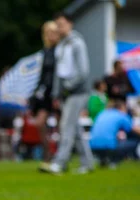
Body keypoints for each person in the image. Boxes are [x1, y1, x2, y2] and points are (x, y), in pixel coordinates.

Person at [39, 12, 94, 175]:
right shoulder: (61, 45)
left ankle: (59, 163)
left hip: (77, 92)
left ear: (70, 24)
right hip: (65, 93)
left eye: (62, 24)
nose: (59, 27)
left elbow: (83, 71)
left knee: (66, 126)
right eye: (57, 24)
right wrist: (57, 94)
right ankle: (88, 162)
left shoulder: (77, 43)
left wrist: (67, 87)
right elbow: (59, 73)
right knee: (74, 128)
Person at [29, 21, 60, 163]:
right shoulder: (45, 52)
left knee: (62, 125)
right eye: (48, 33)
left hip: (58, 92)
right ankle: (47, 153)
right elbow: (42, 75)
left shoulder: (61, 51)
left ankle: (60, 155)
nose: (50, 36)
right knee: (39, 123)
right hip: (46, 93)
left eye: (53, 32)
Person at [89, 100, 140, 168]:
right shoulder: (121, 115)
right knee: (135, 141)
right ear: (121, 108)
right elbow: (134, 129)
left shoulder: (102, 113)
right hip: (109, 147)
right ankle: (114, 161)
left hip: (93, 146)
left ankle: (104, 159)